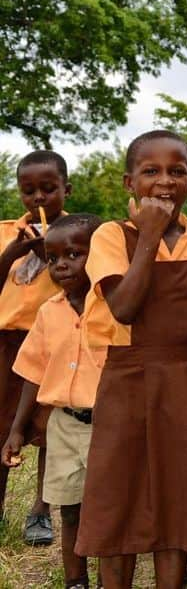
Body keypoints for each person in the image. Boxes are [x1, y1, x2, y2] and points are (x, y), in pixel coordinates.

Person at [76, 130, 187, 588]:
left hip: (186, 384)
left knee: (177, 509)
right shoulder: (112, 236)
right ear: (128, 182)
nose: (164, 181)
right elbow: (124, 306)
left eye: (177, 171)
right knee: (119, 501)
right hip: (126, 383)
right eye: (150, 171)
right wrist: (150, 237)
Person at [1, 214, 104, 589]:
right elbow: (32, 372)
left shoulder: (114, 309)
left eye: (75, 253)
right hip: (64, 425)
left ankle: (111, 577)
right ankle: (76, 580)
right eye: (53, 257)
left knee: (106, 512)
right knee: (70, 511)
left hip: (108, 428)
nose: (62, 264)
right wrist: (16, 430)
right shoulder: (49, 312)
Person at [0, 149, 70, 546]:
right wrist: (14, 252)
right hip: (6, 343)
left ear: (66, 189)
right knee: (2, 424)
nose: (39, 198)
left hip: (52, 343)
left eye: (48, 189)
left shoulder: (77, 235)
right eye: (29, 191)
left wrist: (53, 255)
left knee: (48, 428)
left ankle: (41, 510)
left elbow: (83, 287)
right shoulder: (6, 231)